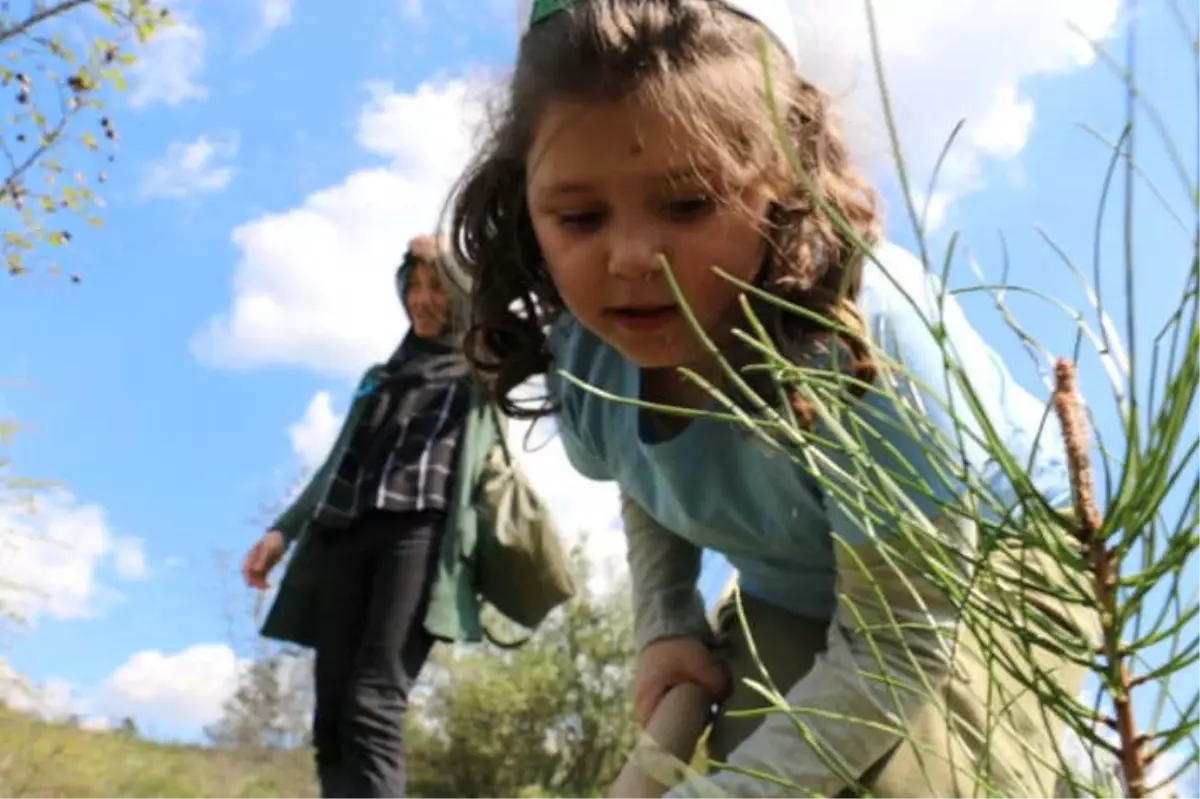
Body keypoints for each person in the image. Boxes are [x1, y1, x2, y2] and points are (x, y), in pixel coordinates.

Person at [449, 0, 1101, 796]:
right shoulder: (587, 357)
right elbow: (645, 479)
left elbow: (899, 645)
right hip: (796, 577)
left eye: (688, 203)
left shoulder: (863, 345)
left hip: (983, 569)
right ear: (524, 207)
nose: (630, 256)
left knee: (915, 782)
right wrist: (666, 623)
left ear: (787, 178)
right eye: (580, 216)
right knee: (763, 744)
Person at [240, 235, 498, 798]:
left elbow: (516, 318)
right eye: (414, 286)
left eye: (438, 289)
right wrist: (283, 529)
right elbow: (334, 465)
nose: (423, 300)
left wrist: (445, 249)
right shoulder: (378, 379)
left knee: (373, 701)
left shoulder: (480, 372)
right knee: (331, 715)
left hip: (418, 535)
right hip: (344, 533)